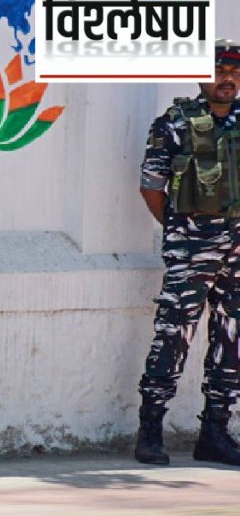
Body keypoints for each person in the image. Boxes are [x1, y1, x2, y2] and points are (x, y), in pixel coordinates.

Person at [136, 38, 240, 466]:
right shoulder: (174, 124)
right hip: (190, 249)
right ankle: (150, 430)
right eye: (219, 71)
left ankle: (215, 432)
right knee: (173, 334)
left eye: (234, 72)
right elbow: (151, 186)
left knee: (232, 339)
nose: (227, 79)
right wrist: (181, 232)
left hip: (237, 251)